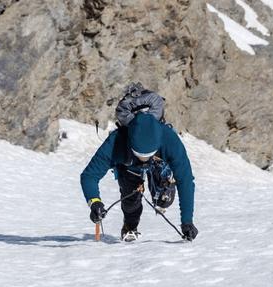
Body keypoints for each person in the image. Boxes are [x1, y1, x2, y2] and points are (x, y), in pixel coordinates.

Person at [80, 83, 198, 242]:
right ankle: (130, 226)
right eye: (140, 154)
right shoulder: (116, 142)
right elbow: (89, 176)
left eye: (148, 155)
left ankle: (165, 181)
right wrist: (94, 202)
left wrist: (187, 222)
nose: (144, 159)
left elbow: (185, 181)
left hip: (159, 162)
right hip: (129, 163)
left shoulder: (169, 140)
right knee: (131, 198)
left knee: (164, 199)